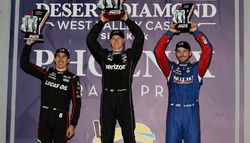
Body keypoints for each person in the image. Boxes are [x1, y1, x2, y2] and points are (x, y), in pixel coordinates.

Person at [87, 12, 144, 143]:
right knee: (106, 138)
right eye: (113, 38)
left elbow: (139, 37)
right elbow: (90, 40)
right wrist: (101, 22)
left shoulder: (130, 56)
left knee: (129, 137)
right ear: (109, 41)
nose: (116, 41)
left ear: (124, 41)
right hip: (108, 99)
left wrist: (127, 20)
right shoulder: (104, 56)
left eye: (119, 38)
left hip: (124, 99)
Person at [154, 23, 213, 143]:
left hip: (191, 115)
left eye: (185, 51)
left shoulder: (197, 69)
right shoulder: (170, 69)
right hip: (174, 114)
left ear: (190, 53)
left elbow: (208, 50)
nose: (182, 54)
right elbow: (158, 51)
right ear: (175, 53)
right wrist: (170, 32)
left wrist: (196, 32)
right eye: (179, 51)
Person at [20, 39, 82, 143]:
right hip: (45, 115)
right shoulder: (47, 72)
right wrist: (28, 45)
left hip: (61, 118)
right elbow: (24, 65)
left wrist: (72, 124)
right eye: (58, 56)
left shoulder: (73, 78)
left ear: (68, 60)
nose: (60, 59)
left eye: (64, 56)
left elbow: (77, 103)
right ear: (54, 59)